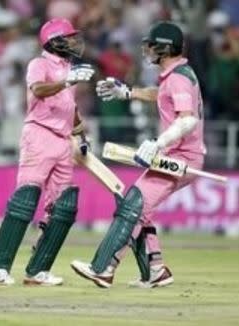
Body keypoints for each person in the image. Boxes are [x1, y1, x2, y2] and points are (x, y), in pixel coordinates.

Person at [71, 21, 206, 288]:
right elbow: (162, 95)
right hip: (179, 154)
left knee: (133, 204)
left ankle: (104, 268)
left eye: (153, 45)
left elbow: (187, 120)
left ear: (166, 48)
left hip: (181, 156)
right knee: (139, 209)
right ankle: (156, 270)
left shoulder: (178, 76)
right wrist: (129, 92)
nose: (148, 50)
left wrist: (158, 142)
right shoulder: (177, 75)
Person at [0, 18, 94, 286]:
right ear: (54, 40)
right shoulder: (39, 64)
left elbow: (70, 107)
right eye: (68, 37)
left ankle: (38, 270)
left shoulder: (68, 67)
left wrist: (81, 134)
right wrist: (68, 81)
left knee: (63, 207)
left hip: (63, 140)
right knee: (26, 198)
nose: (72, 42)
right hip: (39, 134)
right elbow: (38, 90)